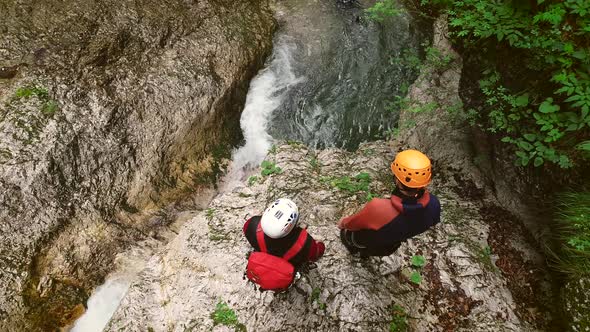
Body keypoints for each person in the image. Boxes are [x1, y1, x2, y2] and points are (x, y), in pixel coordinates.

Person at [338, 149, 441, 257]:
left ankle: (355, 251)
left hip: (361, 241)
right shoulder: (434, 204)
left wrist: (343, 222)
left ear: (397, 179)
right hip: (390, 246)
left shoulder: (379, 207)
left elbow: (352, 224)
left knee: (348, 235)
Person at [243, 198, 325, 270]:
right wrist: (320, 243)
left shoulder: (250, 225)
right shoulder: (305, 243)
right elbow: (316, 254)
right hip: (285, 267)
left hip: (262, 256)